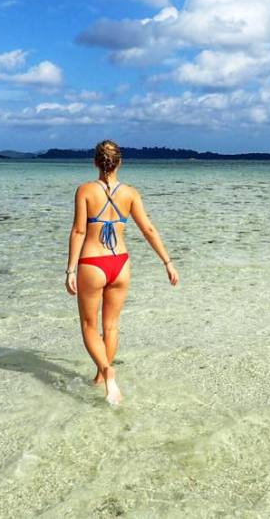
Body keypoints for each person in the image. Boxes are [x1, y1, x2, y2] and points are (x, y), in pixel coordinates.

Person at [65, 139, 179, 405]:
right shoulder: (130, 193)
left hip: (92, 264)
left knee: (89, 325)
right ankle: (101, 377)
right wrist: (167, 262)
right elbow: (148, 229)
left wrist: (70, 269)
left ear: (95, 162)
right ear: (120, 162)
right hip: (121, 264)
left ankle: (106, 371)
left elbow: (79, 231)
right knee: (111, 325)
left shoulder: (84, 191)